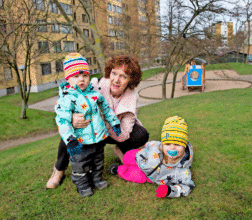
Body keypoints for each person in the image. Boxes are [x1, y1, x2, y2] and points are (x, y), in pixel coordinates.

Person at [46, 55, 149, 189]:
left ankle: (122, 151)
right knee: (69, 131)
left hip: (113, 131)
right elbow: (63, 105)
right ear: (109, 72)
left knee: (140, 134)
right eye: (114, 73)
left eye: (124, 76)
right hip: (88, 128)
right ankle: (59, 170)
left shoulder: (132, 97)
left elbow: (124, 133)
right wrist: (72, 119)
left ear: (131, 80)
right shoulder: (94, 85)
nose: (116, 80)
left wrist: (104, 126)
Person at [54, 52, 121, 197]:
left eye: (84, 75)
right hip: (79, 141)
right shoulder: (67, 98)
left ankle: (97, 179)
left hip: (97, 138)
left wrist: (114, 122)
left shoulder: (94, 93)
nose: (81, 80)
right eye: (76, 76)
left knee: (98, 161)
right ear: (68, 78)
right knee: (80, 164)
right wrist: (70, 140)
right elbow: (62, 120)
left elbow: (106, 109)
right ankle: (82, 185)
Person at [109, 116, 195, 198]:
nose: (172, 148)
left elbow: (187, 187)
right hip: (140, 156)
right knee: (127, 157)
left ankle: (118, 169)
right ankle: (121, 156)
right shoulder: (157, 146)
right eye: (168, 144)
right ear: (163, 144)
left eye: (177, 144)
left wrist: (169, 191)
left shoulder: (183, 172)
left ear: (184, 146)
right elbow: (149, 144)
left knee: (129, 174)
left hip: (147, 176)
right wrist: (145, 148)